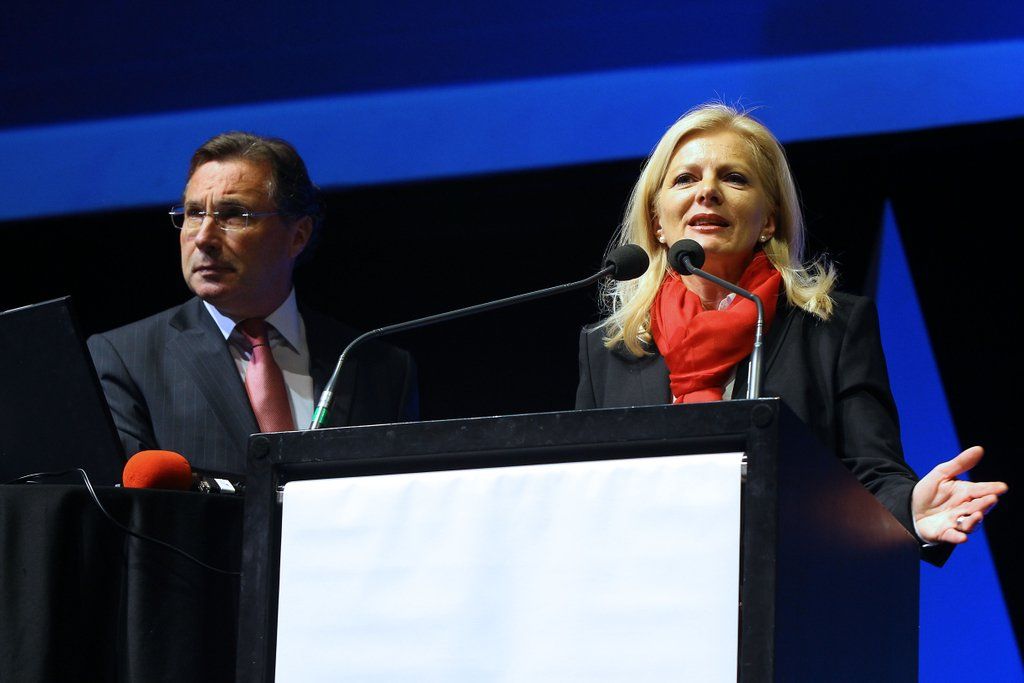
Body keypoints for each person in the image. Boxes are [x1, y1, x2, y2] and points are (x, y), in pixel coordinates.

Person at [575, 103, 1005, 555]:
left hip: (787, 577)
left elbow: (871, 472)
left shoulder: (832, 330)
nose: (707, 192)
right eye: (685, 178)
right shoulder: (609, 350)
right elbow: (584, 489)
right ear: (657, 222)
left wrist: (911, 512)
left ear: (769, 220)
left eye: (734, 178)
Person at [88, 132, 417, 475]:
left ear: (298, 236)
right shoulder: (126, 358)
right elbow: (130, 501)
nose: (204, 237)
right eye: (195, 213)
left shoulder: (380, 368)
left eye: (234, 215)